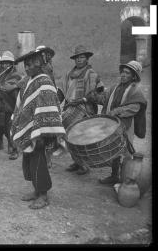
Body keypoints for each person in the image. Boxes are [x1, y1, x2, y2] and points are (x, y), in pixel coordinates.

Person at [11, 49, 66, 209]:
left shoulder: (44, 82)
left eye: (30, 65)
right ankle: (36, 190)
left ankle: (43, 195)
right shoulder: (30, 81)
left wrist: (40, 132)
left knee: (38, 161)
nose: (27, 68)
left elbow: (48, 108)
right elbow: (25, 104)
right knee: (30, 160)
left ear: (39, 65)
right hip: (31, 129)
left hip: (41, 131)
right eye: (25, 65)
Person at [86, 60, 147, 185]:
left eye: (127, 73)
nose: (123, 75)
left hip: (125, 125)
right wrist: (94, 96)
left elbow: (134, 107)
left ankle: (126, 180)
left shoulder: (136, 91)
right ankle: (114, 176)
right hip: (111, 125)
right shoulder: (115, 87)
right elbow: (104, 99)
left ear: (134, 76)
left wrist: (116, 111)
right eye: (123, 72)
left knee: (124, 151)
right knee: (113, 149)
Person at [61, 45, 103, 175]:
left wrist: (82, 100)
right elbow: (63, 91)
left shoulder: (91, 74)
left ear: (87, 59)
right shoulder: (69, 74)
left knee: (81, 137)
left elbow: (96, 93)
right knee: (69, 136)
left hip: (85, 109)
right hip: (70, 108)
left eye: (82, 57)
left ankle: (84, 164)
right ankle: (77, 161)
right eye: (77, 58)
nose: (79, 60)